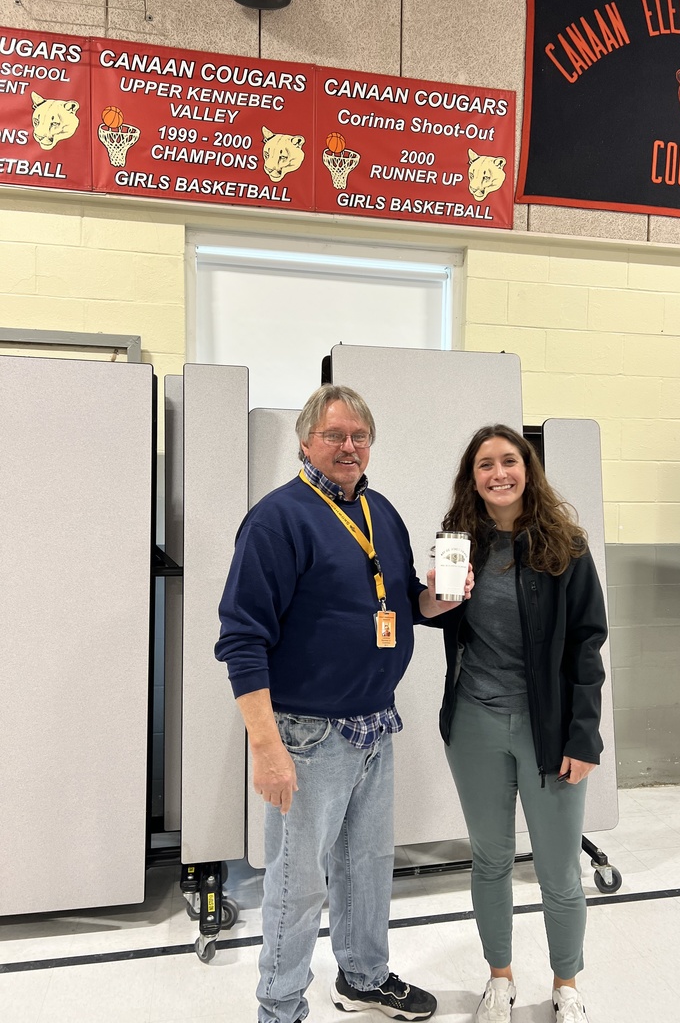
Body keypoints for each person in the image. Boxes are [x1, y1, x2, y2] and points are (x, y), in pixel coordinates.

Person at [214, 384, 471, 1023]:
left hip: (374, 725)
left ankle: (362, 977)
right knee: (299, 884)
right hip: (306, 734)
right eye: (335, 436)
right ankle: (279, 1006)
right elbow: (241, 637)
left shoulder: (380, 510)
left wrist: (440, 600)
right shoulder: (278, 518)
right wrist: (267, 746)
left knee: (367, 867)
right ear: (306, 442)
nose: (349, 447)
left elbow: (401, 599)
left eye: (359, 437)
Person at [435, 425, 608, 1023]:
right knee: (491, 859)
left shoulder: (565, 547)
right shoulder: (460, 544)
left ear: (527, 470)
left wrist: (584, 737)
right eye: (485, 464)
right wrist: (430, 596)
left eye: (509, 461)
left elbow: (588, 647)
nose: (498, 473)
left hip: (549, 730)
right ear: (472, 477)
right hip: (474, 726)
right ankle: (500, 979)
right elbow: (429, 614)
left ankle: (567, 985)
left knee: (559, 870)